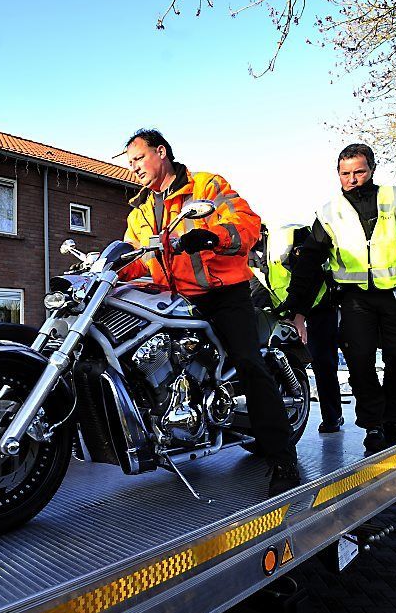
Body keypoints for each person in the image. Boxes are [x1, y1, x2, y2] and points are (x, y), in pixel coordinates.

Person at [121, 128, 301, 496]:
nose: (133, 168)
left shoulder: (206, 187)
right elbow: (135, 257)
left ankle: (282, 458)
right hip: (175, 301)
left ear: (161, 152)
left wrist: (213, 236)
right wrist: (107, 268)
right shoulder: (140, 209)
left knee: (249, 364)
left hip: (222, 294)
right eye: (129, 163)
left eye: (138, 159)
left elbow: (248, 224)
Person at [283, 144, 396, 453]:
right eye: (345, 173)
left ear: (372, 170)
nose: (351, 179)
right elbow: (310, 264)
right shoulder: (329, 213)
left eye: (358, 172)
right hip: (355, 300)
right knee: (359, 362)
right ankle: (374, 426)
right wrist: (298, 308)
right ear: (337, 174)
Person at [249, 223, 344, 433]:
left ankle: (332, 417)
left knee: (322, 360)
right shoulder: (249, 255)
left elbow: (312, 276)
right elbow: (259, 289)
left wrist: (300, 315)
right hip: (290, 309)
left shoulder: (288, 239)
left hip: (319, 303)